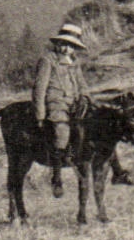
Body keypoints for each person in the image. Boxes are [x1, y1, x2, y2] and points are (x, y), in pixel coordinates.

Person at [33, 22, 91, 198]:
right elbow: (39, 89)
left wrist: (87, 99)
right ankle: (56, 177)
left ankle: (115, 170)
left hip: (73, 103)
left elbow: (82, 84)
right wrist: (40, 115)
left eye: (72, 46)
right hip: (55, 103)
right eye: (64, 45)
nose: (67, 49)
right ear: (57, 44)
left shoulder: (74, 63)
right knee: (61, 130)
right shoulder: (48, 60)